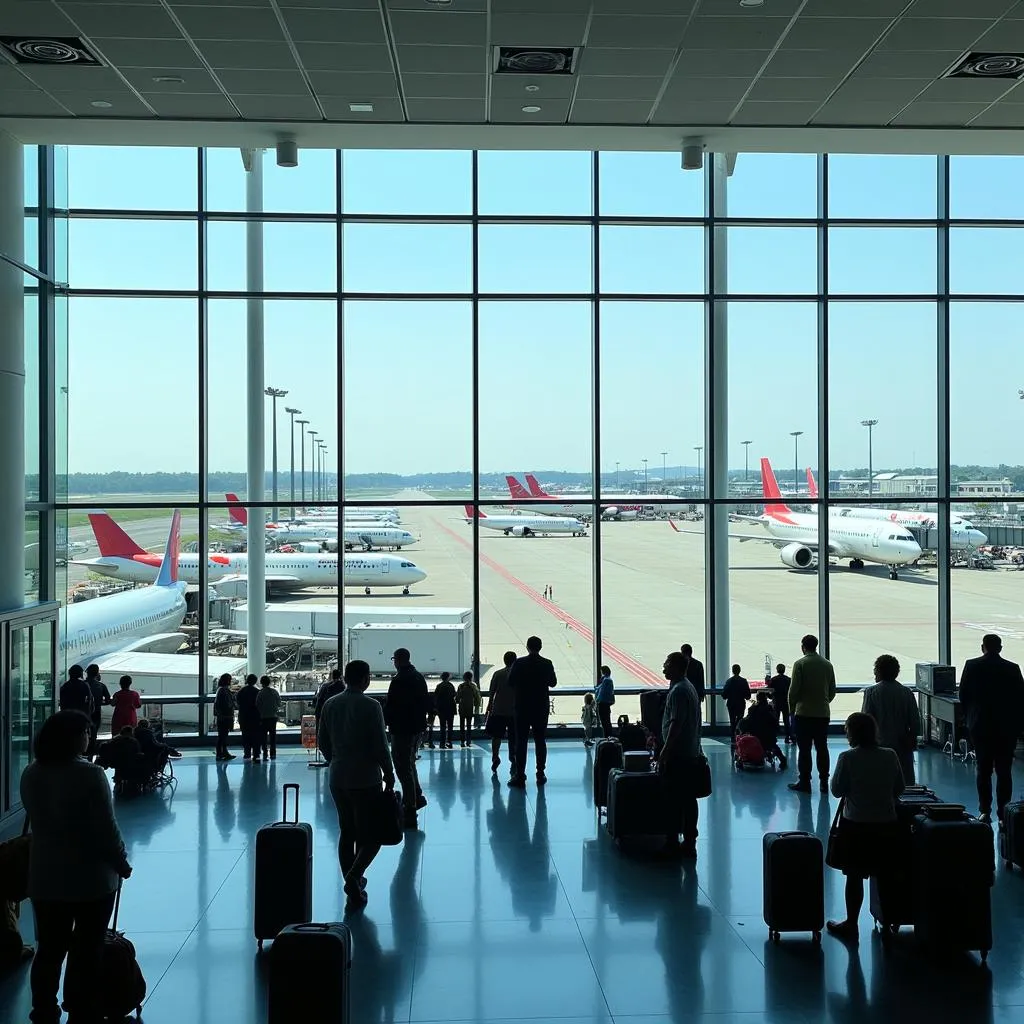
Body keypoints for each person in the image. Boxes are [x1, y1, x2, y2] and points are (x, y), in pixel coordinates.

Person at [20, 710, 132, 1023]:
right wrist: (121, 861)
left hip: (45, 876)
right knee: (87, 947)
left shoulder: (31, 773)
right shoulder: (89, 775)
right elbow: (104, 828)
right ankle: (79, 1006)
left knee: (50, 949)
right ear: (72, 737)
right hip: (90, 879)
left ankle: (43, 1007)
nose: (89, 737)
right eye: (85, 731)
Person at [319, 660, 396, 912]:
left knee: (347, 831)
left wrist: (335, 761)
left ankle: (351, 879)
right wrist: (389, 772)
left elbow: (323, 742)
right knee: (373, 834)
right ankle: (354, 876)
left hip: (338, 777)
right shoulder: (371, 706)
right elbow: (380, 744)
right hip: (365, 778)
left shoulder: (331, 704)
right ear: (366, 679)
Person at [826, 712, 905, 940]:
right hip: (886, 824)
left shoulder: (847, 758)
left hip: (856, 825)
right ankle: (890, 920)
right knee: (885, 875)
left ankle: (851, 923)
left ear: (854, 733)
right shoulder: (890, 755)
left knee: (854, 876)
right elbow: (899, 789)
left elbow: (837, 790)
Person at [958, 633, 1024, 825]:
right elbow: (1020, 698)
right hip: (1006, 728)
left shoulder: (972, 665)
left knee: (983, 769)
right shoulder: (1012, 668)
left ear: (982, 647)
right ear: (1001, 648)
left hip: (981, 726)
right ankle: (1004, 813)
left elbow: (963, 695)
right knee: (1004, 770)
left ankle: (984, 810)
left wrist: (970, 717)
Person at [659, 651, 702, 859]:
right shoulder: (689, 687)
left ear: (676, 667)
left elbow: (676, 724)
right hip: (690, 752)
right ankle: (689, 841)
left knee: (674, 800)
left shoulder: (678, 691)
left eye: (667, 664)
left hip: (679, 755)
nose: (663, 668)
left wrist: (664, 752)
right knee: (688, 799)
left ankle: (673, 841)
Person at [385, 648, 430, 828]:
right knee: (410, 763)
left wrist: (386, 721)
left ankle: (410, 807)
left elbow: (393, 706)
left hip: (401, 728)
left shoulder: (398, 680)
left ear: (397, 660)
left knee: (402, 767)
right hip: (416, 728)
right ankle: (416, 796)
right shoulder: (418, 677)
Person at [861, 654, 921, 785]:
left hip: (878, 745)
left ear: (879, 671)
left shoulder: (871, 692)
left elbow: (866, 721)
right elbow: (916, 723)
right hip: (902, 747)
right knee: (904, 781)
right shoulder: (907, 692)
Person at [787, 635, 836, 794]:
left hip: (804, 714)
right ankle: (823, 781)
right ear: (816, 646)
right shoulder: (827, 665)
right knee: (822, 748)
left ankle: (805, 782)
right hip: (822, 713)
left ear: (803, 647)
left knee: (805, 749)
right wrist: (824, 702)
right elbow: (832, 690)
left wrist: (791, 709)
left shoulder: (800, 664)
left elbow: (794, 691)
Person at [508, 636, 557, 788]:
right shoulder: (547, 663)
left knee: (521, 741)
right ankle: (540, 773)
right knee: (540, 741)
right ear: (540, 647)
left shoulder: (519, 663)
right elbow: (553, 683)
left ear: (527, 647)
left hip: (522, 708)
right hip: (540, 707)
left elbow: (510, 682)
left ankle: (520, 775)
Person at [485, 651, 517, 775]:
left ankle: (495, 756)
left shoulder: (498, 674)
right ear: (515, 661)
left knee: (496, 736)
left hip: (498, 710)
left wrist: (489, 706)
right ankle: (512, 757)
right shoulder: (518, 675)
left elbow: (492, 692)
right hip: (514, 711)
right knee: (513, 737)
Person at [745, 690, 788, 769]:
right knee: (773, 746)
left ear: (757, 699)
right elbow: (774, 722)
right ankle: (783, 760)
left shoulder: (752, 709)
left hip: (755, 735)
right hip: (769, 736)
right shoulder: (769, 710)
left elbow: (747, 721)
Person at [84, 664, 110, 758]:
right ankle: (90, 756)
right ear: (97, 674)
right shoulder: (101, 686)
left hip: (84, 713)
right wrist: (98, 703)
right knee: (94, 735)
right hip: (96, 713)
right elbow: (108, 701)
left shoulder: (83, 684)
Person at [236, 673, 262, 762]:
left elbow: (238, 702)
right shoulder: (257, 692)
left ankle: (247, 753)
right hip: (255, 716)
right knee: (256, 735)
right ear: (255, 681)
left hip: (244, 716)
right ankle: (256, 753)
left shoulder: (241, 691)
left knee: (245, 735)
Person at [722, 664, 751, 741]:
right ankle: (738, 735)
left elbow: (724, 695)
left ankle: (733, 736)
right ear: (739, 670)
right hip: (741, 703)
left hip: (731, 703)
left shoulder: (729, 681)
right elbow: (748, 695)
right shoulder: (743, 681)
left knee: (732, 720)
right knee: (739, 719)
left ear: (732, 671)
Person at [256, 675, 282, 761]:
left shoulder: (260, 693)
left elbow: (257, 705)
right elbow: (279, 703)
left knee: (263, 736)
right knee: (273, 736)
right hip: (273, 717)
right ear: (269, 682)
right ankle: (273, 753)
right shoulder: (274, 692)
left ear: (261, 683)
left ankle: (265, 752)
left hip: (263, 717)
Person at [213, 673, 236, 761]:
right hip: (225, 716)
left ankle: (222, 753)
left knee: (222, 736)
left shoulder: (220, 690)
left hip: (222, 716)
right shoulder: (224, 690)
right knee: (223, 736)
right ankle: (222, 753)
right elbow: (227, 704)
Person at [769, 663, 793, 743]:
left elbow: (769, 690)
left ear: (777, 670)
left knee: (775, 720)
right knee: (786, 720)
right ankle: (788, 736)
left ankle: (774, 736)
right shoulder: (789, 680)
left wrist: (770, 697)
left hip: (777, 702)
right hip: (786, 702)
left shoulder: (774, 679)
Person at [456, 671, 481, 747]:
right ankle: (468, 741)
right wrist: (477, 707)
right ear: (471, 677)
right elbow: (477, 698)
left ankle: (462, 741)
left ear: (464, 677)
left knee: (462, 725)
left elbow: (457, 698)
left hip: (462, 708)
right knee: (469, 725)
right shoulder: (473, 686)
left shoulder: (461, 686)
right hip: (470, 708)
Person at [434, 672, 457, 750]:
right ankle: (449, 742)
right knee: (450, 726)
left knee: (442, 726)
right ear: (448, 677)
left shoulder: (439, 686)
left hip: (442, 709)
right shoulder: (450, 685)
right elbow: (454, 695)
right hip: (450, 708)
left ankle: (442, 743)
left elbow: (436, 697)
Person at [595, 665, 615, 738]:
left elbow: (602, 693)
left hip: (603, 704)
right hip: (606, 704)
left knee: (605, 722)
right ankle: (608, 736)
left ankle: (607, 737)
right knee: (607, 721)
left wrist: (597, 700)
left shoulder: (606, 680)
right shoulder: (607, 680)